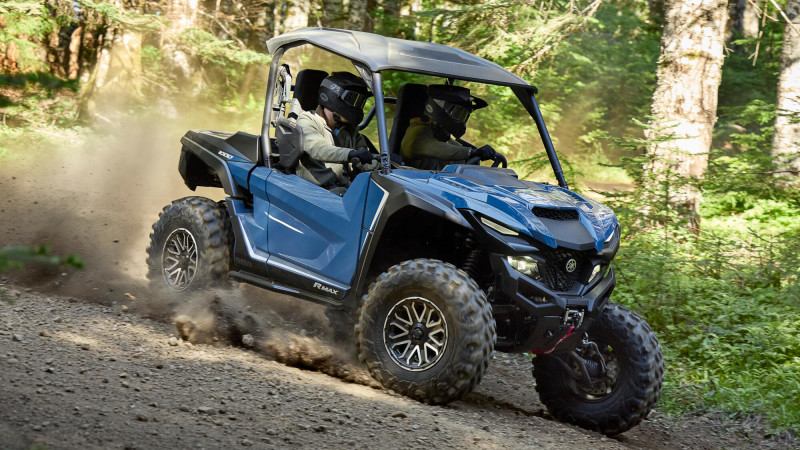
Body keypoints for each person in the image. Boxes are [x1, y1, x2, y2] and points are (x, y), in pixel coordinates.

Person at [295, 72, 379, 189]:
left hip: (345, 190)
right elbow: (318, 149)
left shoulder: (350, 130)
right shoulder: (307, 120)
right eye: (353, 100)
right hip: (315, 190)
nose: (357, 107)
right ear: (332, 96)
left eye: (360, 102)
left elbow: (364, 162)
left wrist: (383, 161)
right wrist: (350, 154)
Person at [400, 85, 497, 170]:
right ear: (439, 110)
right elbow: (437, 148)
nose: (462, 120)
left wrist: (473, 154)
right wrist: (471, 152)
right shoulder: (417, 132)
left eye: (464, 116)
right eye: (457, 113)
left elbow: (452, 149)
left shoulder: (444, 138)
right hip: (415, 183)